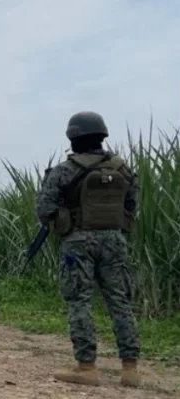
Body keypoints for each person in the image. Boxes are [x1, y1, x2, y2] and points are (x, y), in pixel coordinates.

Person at [34, 111, 141, 387]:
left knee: (79, 301)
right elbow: (131, 206)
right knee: (120, 302)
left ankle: (86, 367)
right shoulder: (122, 169)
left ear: (72, 138)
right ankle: (130, 369)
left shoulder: (64, 171)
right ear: (102, 136)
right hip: (114, 241)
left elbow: (44, 209)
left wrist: (63, 221)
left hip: (77, 243)